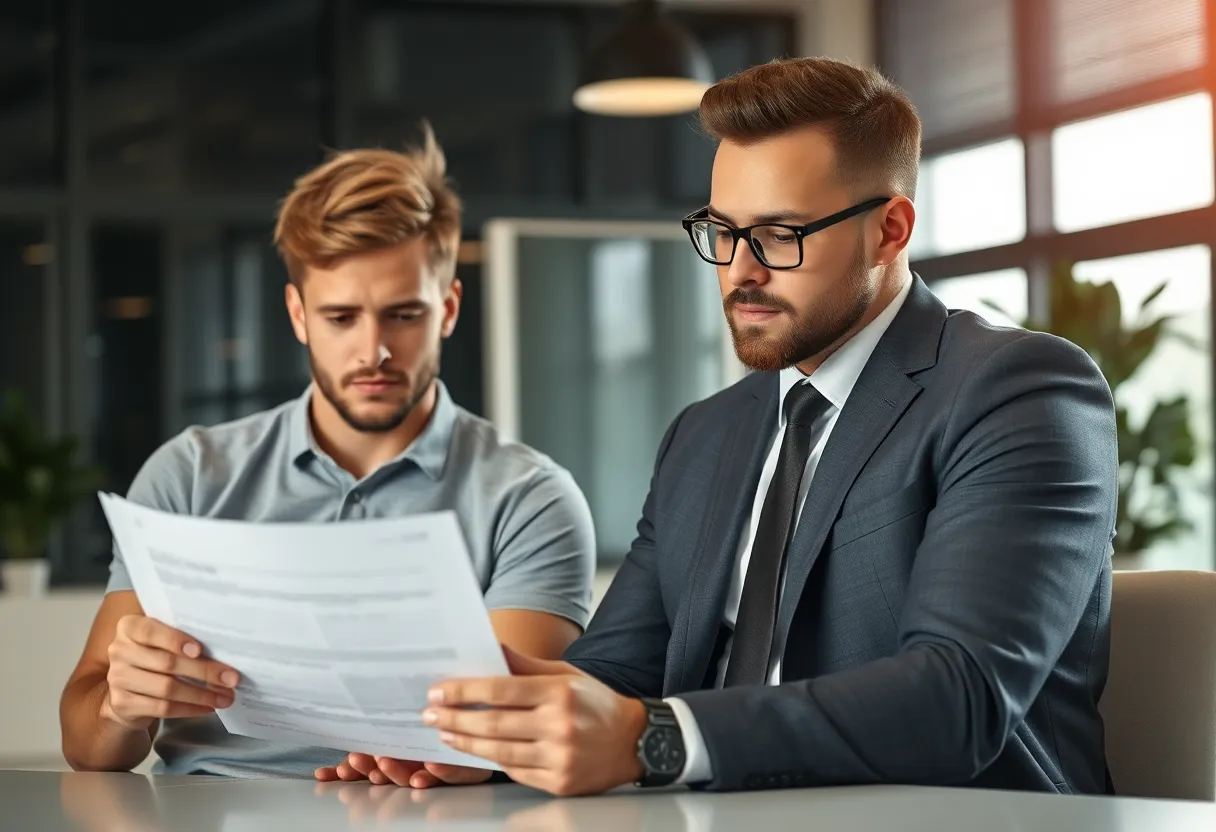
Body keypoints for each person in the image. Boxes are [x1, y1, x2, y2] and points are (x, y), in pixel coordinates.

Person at [334, 57, 1120, 797]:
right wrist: (488, 737)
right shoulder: (705, 434)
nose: (740, 270)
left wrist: (657, 740)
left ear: (891, 228)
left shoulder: (1017, 391)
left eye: (780, 235)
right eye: (722, 231)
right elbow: (615, 676)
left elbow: (959, 697)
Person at [59, 127, 596, 783]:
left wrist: (467, 758)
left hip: (427, 818)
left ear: (448, 308)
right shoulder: (191, 474)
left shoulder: (528, 497)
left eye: (404, 314)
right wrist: (121, 706)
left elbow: (506, 735)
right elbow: (87, 743)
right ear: (297, 314)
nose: (374, 350)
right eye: (342, 318)